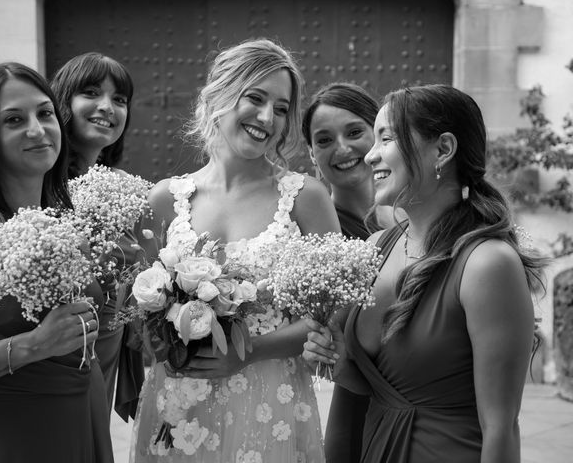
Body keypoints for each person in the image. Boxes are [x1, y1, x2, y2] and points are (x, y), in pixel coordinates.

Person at [303, 84, 545, 463]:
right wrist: (337, 357)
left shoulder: (487, 263)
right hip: (375, 448)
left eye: (387, 138)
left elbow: (500, 426)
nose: (370, 156)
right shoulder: (377, 246)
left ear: (443, 150)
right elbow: (372, 388)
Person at [131, 38, 340, 462]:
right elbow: (138, 318)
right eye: (256, 98)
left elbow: (331, 314)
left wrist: (247, 353)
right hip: (179, 404)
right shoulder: (164, 200)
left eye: (281, 109)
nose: (268, 118)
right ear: (221, 95)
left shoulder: (306, 198)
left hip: (269, 401)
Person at [0, 62, 113, 462]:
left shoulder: (68, 220)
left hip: (85, 430)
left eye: (45, 113)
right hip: (13, 443)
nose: (37, 129)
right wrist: (30, 346)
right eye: (14, 119)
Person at [51, 52, 145, 421]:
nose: (107, 107)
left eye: (119, 100)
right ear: (62, 102)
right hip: (57, 357)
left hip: (106, 351)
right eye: (91, 93)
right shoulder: (38, 185)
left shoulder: (126, 189)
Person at [302, 82, 379, 463]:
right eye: (324, 140)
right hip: (356, 405)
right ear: (312, 154)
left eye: (354, 132)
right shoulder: (309, 237)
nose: (343, 149)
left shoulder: (424, 218)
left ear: (380, 134)